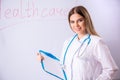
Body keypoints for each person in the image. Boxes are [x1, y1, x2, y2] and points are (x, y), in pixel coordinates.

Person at [37, 6, 118, 80]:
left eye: (80, 20)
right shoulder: (67, 42)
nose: (76, 25)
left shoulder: (96, 42)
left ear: (86, 20)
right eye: (72, 22)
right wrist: (45, 60)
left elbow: (111, 69)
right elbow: (63, 68)